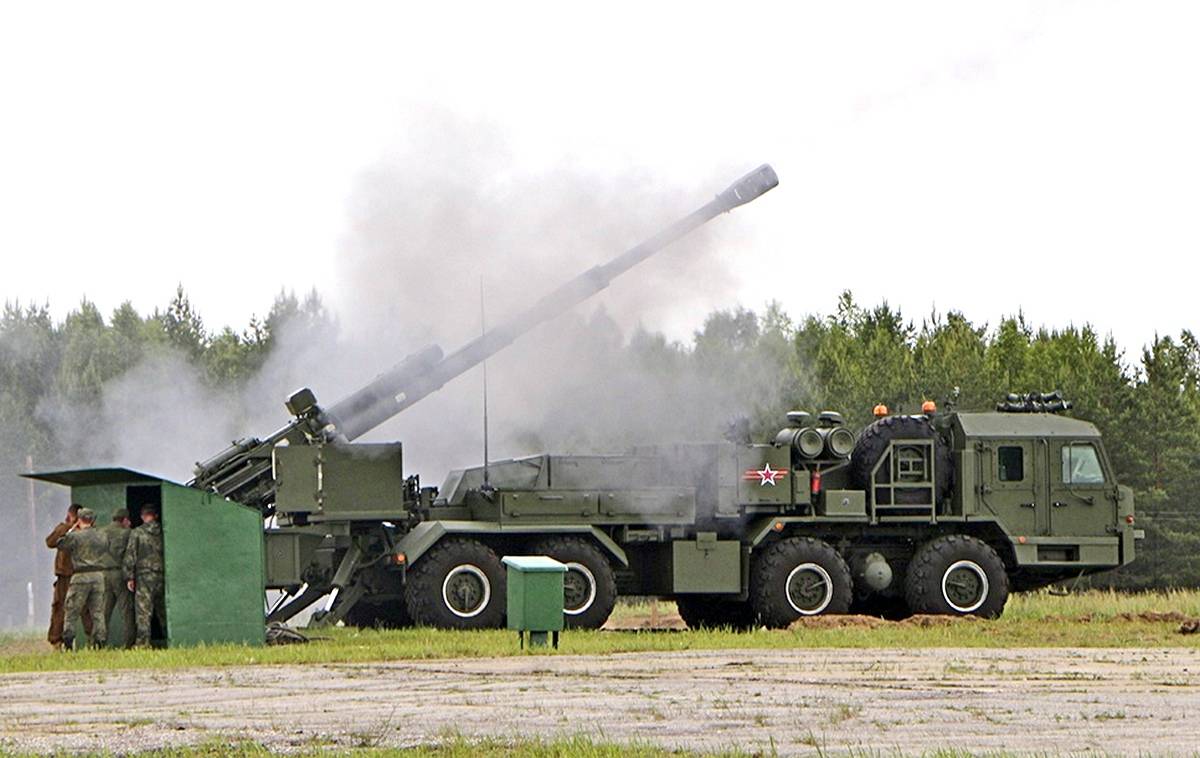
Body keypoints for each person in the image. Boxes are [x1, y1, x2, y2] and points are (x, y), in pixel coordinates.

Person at [53, 508, 109, 649]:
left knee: (72, 611)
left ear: (79, 519)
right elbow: (106, 547)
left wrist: (72, 529)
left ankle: (68, 642)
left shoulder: (75, 536)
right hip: (98, 576)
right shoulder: (101, 536)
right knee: (97, 612)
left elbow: (60, 543)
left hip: (80, 576)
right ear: (92, 520)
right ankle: (100, 642)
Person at [44, 504, 92, 650]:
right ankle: (60, 641)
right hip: (73, 575)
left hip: (72, 575)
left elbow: (50, 542)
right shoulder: (73, 530)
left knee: (68, 608)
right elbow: (50, 542)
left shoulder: (73, 530)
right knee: (75, 607)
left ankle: (59, 641)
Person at [124, 506, 165, 647]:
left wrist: (129, 576)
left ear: (142, 516)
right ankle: (169, 637)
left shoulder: (137, 533)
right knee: (163, 609)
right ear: (156, 515)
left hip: (144, 576)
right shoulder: (164, 531)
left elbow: (130, 556)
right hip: (162, 575)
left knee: (143, 611)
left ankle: (143, 642)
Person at [100, 509, 135, 648]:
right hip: (120, 574)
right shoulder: (127, 533)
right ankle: (129, 643)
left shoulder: (101, 532)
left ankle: (98, 643)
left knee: (104, 611)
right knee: (126, 611)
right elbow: (130, 556)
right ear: (124, 520)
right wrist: (130, 576)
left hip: (104, 574)